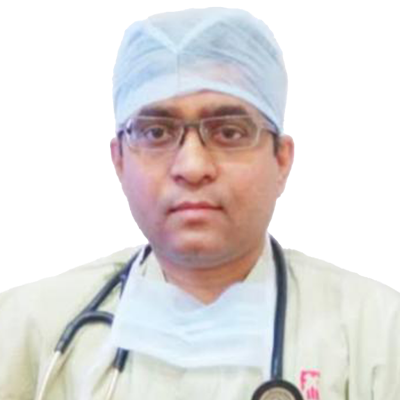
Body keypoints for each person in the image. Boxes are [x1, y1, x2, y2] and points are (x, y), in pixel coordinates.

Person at [1, 7, 399, 400]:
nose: (192, 167)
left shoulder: (379, 330)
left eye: (230, 132)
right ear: (119, 160)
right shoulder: (23, 326)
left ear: (282, 159)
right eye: (156, 132)